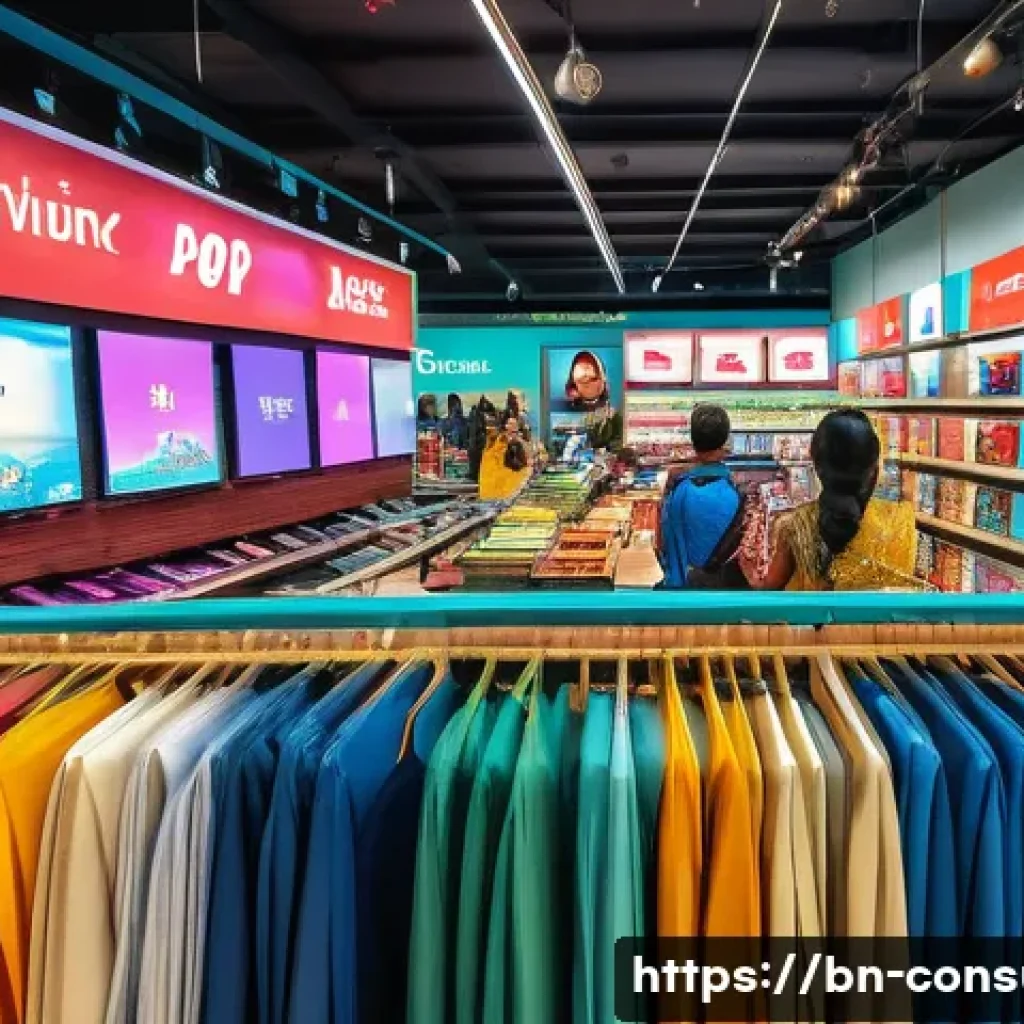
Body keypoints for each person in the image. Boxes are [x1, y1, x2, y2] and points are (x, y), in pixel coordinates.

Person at [742, 408, 920, 591]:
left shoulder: (795, 526)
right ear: (874, 467)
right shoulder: (901, 520)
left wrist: (749, 575)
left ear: (816, 465)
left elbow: (771, 591)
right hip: (884, 620)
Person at [660, 404, 744, 589]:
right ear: (725, 441)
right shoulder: (734, 494)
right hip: (723, 595)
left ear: (693, 441)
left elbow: (667, 543)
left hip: (681, 591)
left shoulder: (679, 491)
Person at [478, 416, 533, 501]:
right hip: (496, 484)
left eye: (513, 424)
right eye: (509, 424)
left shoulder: (513, 441)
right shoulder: (501, 439)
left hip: (496, 484)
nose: (511, 426)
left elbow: (526, 456)